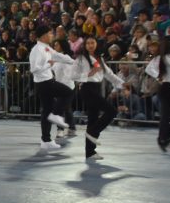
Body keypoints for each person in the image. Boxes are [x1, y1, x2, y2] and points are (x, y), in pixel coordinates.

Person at [72, 37, 125, 161]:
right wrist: (88, 74)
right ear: (84, 45)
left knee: (92, 119)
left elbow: (110, 74)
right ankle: (92, 133)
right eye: (88, 43)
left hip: (96, 88)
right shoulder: (80, 58)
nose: (90, 45)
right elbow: (72, 75)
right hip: (87, 88)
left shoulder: (99, 58)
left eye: (92, 43)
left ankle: (90, 152)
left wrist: (123, 84)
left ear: (96, 44)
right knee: (111, 111)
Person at [29, 24, 76, 152]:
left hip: (46, 81)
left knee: (46, 111)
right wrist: (48, 65)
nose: (52, 36)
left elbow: (58, 56)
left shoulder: (46, 48)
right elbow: (34, 69)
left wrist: (73, 61)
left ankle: (46, 140)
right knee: (68, 92)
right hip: (44, 83)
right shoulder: (37, 50)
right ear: (44, 35)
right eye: (50, 33)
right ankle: (55, 115)